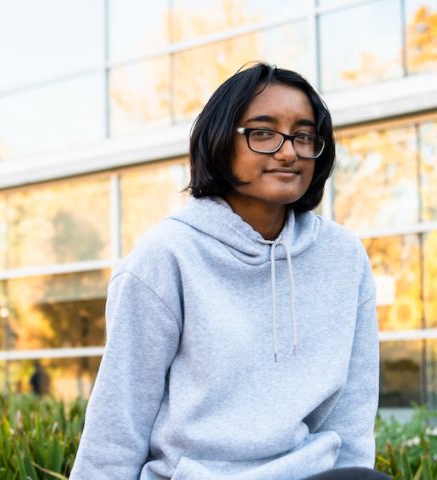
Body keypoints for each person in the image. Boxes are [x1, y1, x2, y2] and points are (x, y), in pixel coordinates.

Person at [70, 63, 388, 480]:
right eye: (263, 132)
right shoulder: (167, 256)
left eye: (304, 135)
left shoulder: (343, 257)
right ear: (220, 141)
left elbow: (352, 417)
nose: (288, 150)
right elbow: (118, 421)